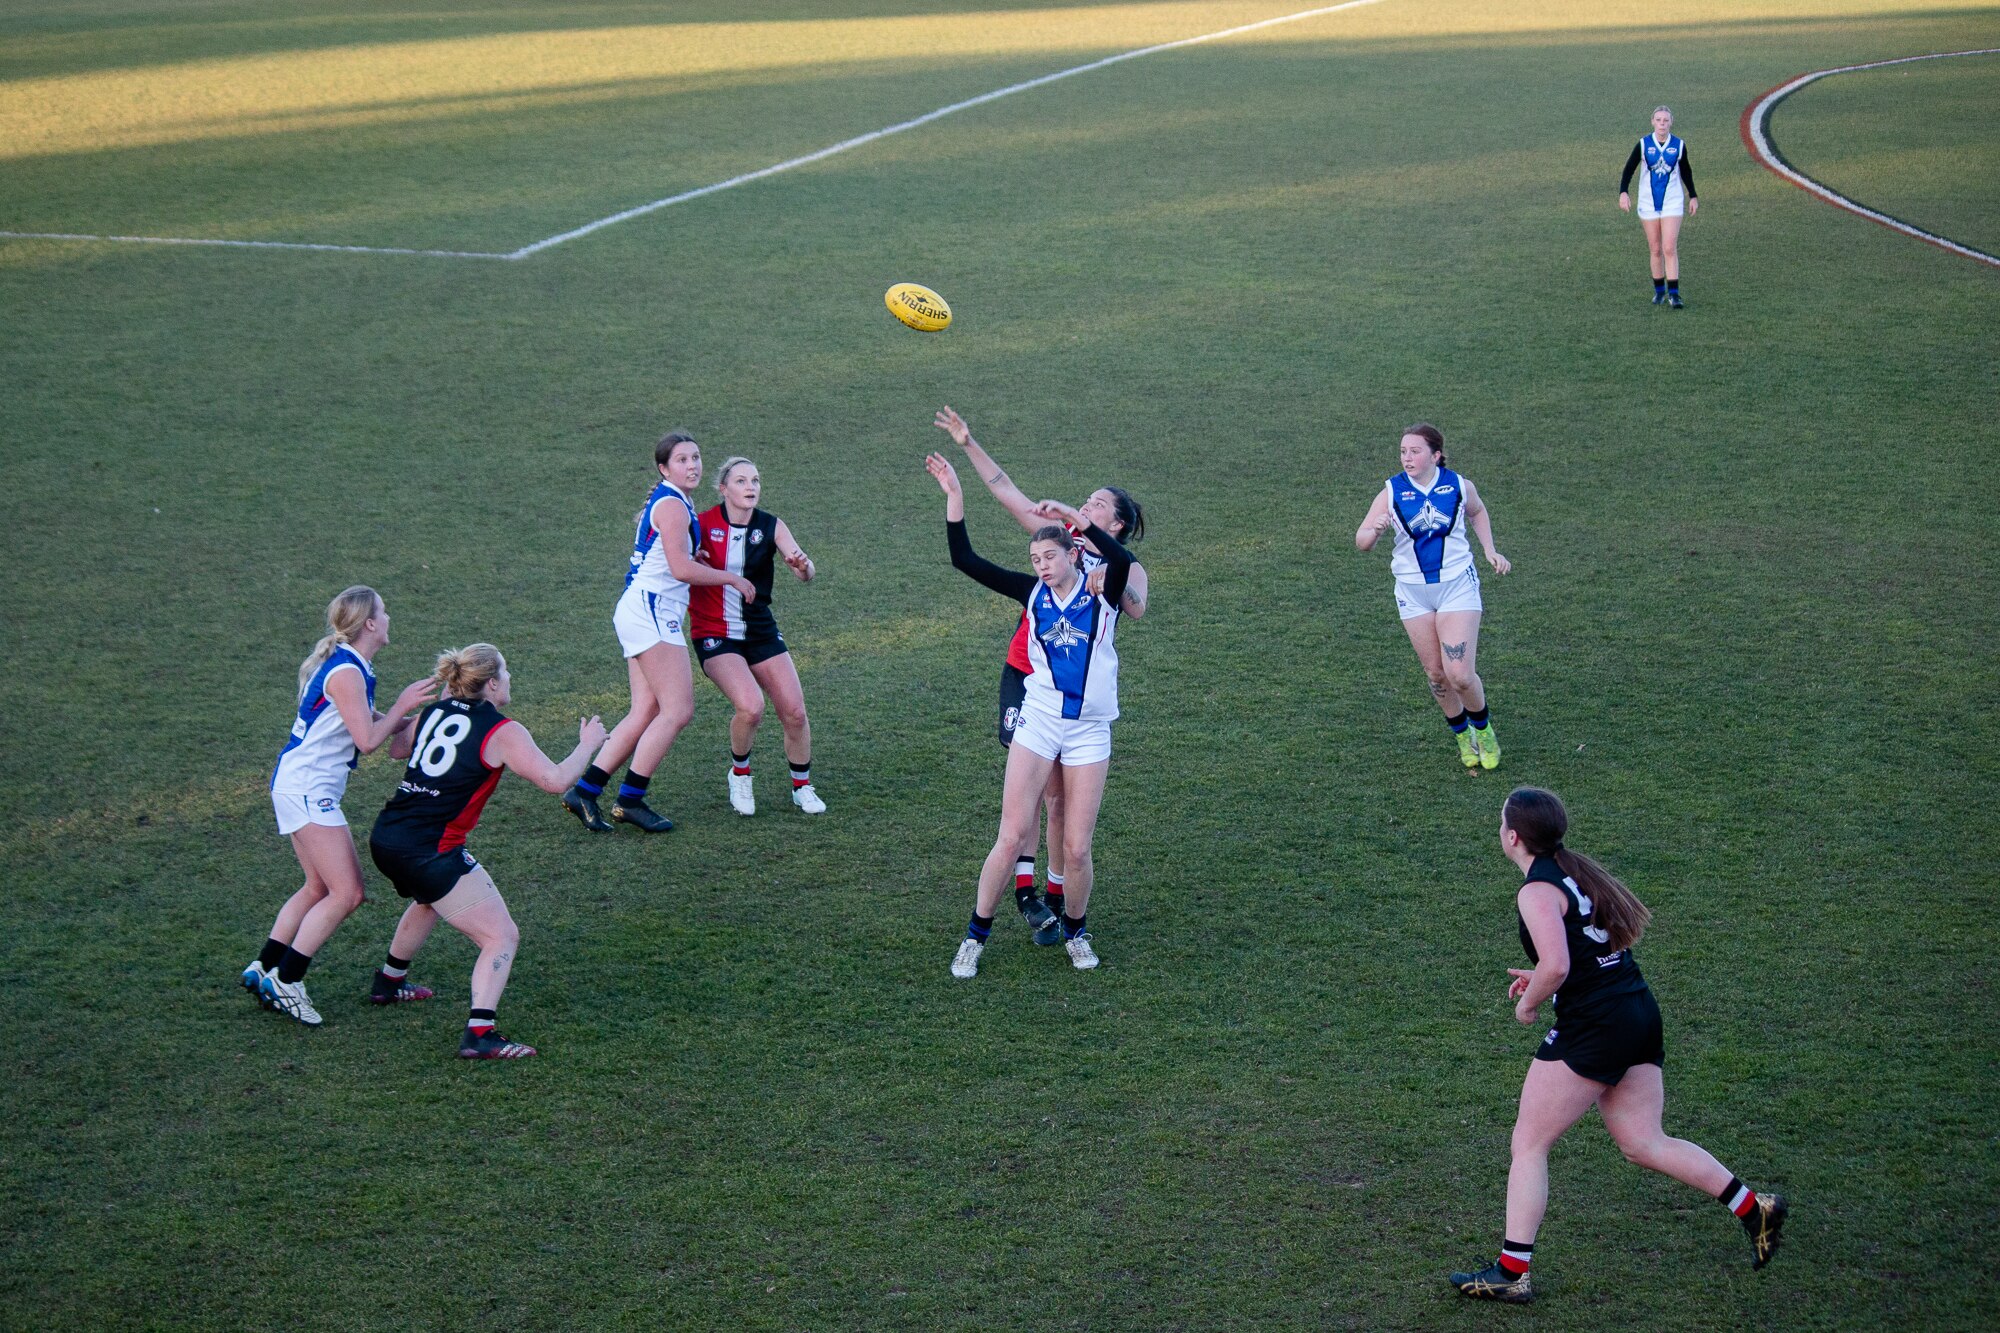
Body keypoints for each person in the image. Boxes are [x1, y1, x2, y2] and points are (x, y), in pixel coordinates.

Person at [1448, 787, 1788, 1302]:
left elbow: (1560, 965)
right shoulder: (1573, 871)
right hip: (1635, 1011)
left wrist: (1529, 1004)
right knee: (1642, 1141)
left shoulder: (1536, 890)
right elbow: (1573, 955)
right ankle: (1753, 1208)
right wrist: (1543, 976)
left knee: (1529, 1144)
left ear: (1512, 836)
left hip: (1595, 1027)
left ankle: (1513, 1272)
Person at [933, 406, 1148, 945]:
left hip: (1081, 701)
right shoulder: (1059, 546)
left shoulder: (1117, 565)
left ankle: (1054, 895)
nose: (1089, 503)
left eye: (1100, 503)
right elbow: (1007, 491)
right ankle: (1027, 895)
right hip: (1027, 679)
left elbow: (1136, 603)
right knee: (1027, 796)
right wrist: (967, 441)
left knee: (1059, 803)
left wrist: (1103, 572)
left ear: (1115, 522)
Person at [368, 644, 607, 1059]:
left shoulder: (436, 711)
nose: (511, 678)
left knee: (430, 900)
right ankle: (480, 1035)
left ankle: (389, 982)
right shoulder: (503, 731)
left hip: (387, 838)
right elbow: (554, 780)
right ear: (492, 683)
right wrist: (589, 744)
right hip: (430, 851)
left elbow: (397, 748)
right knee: (501, 936)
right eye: (507, 671)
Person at [244, 586, 436, 1027]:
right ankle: (287, 982)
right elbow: (368, 742)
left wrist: (421, 717)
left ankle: (263, 967)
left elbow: (372, 726)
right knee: (347, 893)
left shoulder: (353, 666)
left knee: (317, 887)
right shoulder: (348, 672)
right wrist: (405, 704)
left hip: (297, 785)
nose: (389, 618)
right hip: (309, 790)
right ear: (369, 623)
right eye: (384, 612)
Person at [561, 431, 757, 834]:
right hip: (652, 611)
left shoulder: (676, 501)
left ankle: (584, 791)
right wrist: (730, 579)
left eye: (696, 457)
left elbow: (675, 557)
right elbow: (681, 570)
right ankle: (630, 800)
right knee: (678, 710)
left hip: (642, 608)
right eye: (683, 460)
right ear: (664, 468)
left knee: (646, 710)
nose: (693, 465)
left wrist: (692, 553)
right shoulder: (673, 506)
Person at [1355, 423, 1510, 770]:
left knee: (1460, 675)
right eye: (1403, 452)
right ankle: (1462, 736)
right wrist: (1375, 531)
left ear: (1435, 455)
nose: (1407, 458)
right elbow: (1361, 541)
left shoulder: (1457, 485)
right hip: (1412, 593)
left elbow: (1477, 511)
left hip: (1457, 585)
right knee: (1437, 675)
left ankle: (1483, 730)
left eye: (1415, 451)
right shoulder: (1392, 492)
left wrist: (1489, 550)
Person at [689, 456, 826, 816]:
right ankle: (740, 774)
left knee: (795, 712)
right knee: (751, 707)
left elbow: (805, 570)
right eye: (741, 481)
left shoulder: (771, 525)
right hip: (714, 632)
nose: (751, 487)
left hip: (760, 630)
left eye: (756, 481)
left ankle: (802, 786)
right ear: (724, 489)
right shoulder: (700, 524)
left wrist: (803, 566)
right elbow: (672, 560)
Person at [1618, 105, 1699, 307]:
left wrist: (1693, 196)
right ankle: (1659, 291)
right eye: (1658, 120)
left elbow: (1686, 171)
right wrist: (1623, 192)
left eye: (1665, 120)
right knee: (1655, 248)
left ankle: (1674, 294)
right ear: (1652, 122)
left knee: (1669, 247)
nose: (1662, 124)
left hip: (1672, 201)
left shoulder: (1679, 145)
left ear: (1671, 122)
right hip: (1648, 203)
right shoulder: (1644, 145)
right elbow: (1629, 169)